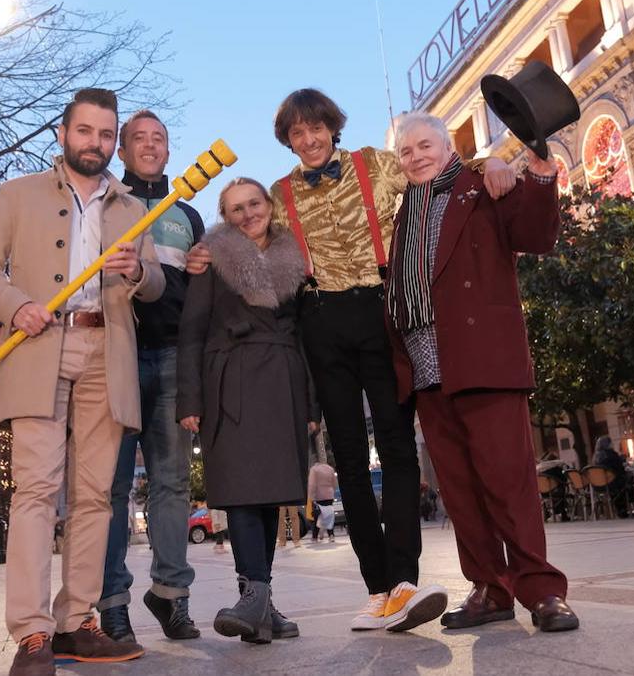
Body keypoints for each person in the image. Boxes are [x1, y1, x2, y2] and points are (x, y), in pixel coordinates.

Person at [187, 89, 519, 630]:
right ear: (288, 141)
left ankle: (405, 577)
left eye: (316, 128)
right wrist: (208, 249)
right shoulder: (278, 192)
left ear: (332, 128)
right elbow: (249, 239)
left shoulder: (377, 164)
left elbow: (441, 168)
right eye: (297, 133)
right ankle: (377, 587)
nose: (309, 139)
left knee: (396, 443)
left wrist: (497, 161)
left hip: (382, 309)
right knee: (347, 455)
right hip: (322, 320)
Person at [0, 88, 165, 676]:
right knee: (34, 491)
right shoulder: (18, 193)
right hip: (39, 346)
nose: (96, 144)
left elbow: (153, 285)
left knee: (96, 495)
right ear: (63, 133)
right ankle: (32, 633)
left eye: (106, 135)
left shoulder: (133, 206)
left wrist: (140, 271)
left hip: (110, 350)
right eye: (86, 132)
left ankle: (78, 622)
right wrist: (15, 305)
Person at [384, 112, 578, 634]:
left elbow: (536, 235)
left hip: (481, 358)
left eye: (425, 145)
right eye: (407, 152)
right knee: (461, 492)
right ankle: (491, 589)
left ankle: (541, 590)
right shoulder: (404, 211)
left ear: (448, 147)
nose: (416, 156)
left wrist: (537, 175)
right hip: (425, 367)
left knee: (507, 483)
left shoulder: (482, 184)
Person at [176, 177, 315, 644]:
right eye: (235, 208)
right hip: (228, 380)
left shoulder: (295, 255)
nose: (247, 214)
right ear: (224, 216)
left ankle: (259, 605)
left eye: (254, 203)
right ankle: (256, 597)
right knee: (241, 491)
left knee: (270, 490)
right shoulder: (211, 259)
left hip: (281, 378)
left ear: (270, 206)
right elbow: (191, 331)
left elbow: (305, 334)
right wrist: (190, 399)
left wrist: (311, 401)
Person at [99, 110, 204, 643]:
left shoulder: (186, 214)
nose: (148, 145)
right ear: (121, 150)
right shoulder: (103, 204)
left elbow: (199, 295)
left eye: (157, 138)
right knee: (111, 487)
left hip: (171, 357)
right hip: (114, 355)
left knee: (172, 484)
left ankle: (171, 596)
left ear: (167, 149)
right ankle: (111, 602)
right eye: (136, 138)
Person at [307, 460, 338, 542]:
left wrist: (311, 496)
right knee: (329, 515)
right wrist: (331, 490)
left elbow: (312, 484)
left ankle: (315, 536)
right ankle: (331, 535)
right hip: (329, 495)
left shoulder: (314, 469)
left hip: (318, 496)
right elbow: (335, 483)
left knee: (317, 516)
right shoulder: (330, 469)